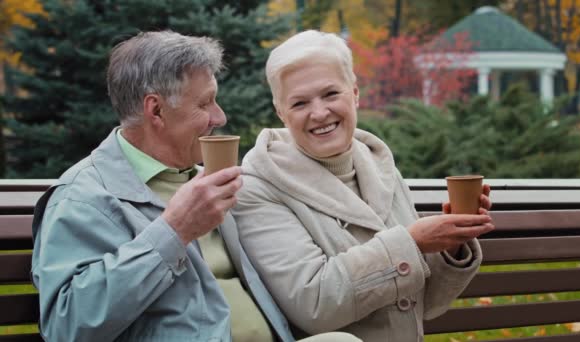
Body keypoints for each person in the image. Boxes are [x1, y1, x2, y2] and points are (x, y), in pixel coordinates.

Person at [31, 31, 361, 342]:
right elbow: (65, 326)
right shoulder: (83, 197)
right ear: (156, 110)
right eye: (205, 104)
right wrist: (173, 232)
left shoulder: (206, 179)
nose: (220, 116)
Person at [232, 30, 495, 342]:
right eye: (300, 103)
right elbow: (316, 305)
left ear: (354, 93)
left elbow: (423, 307)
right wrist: (412, 243)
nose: (319, 113)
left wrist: (450, 245)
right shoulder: (258, 186)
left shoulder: (380, 166)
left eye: (331, 94)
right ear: (281, 112)